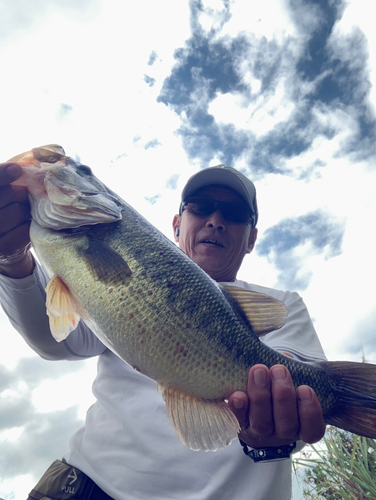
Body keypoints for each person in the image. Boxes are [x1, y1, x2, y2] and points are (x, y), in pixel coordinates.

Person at [0, 161, 327, 500]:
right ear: (176, 224)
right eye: (200, 208)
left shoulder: (283, 302)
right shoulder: (120, 272)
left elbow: (306, 399)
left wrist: (282, 409)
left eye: (233, 213)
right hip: (86, 485)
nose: (215, 221)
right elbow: (57, 342)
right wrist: (11, 260)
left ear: (251, 239)